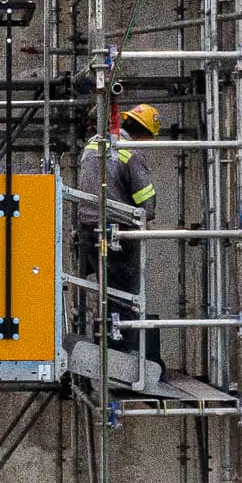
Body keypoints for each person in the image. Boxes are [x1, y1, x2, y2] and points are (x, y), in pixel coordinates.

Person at [74, 103, 163, 338]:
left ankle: (98, 341)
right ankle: (123, 352)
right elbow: (145, 198)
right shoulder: (131, 152)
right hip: (118, 233)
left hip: (87, 230)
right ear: (144, 133)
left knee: (100, 293)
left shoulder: (93, 143)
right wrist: (147, 217)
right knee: (125, 297)